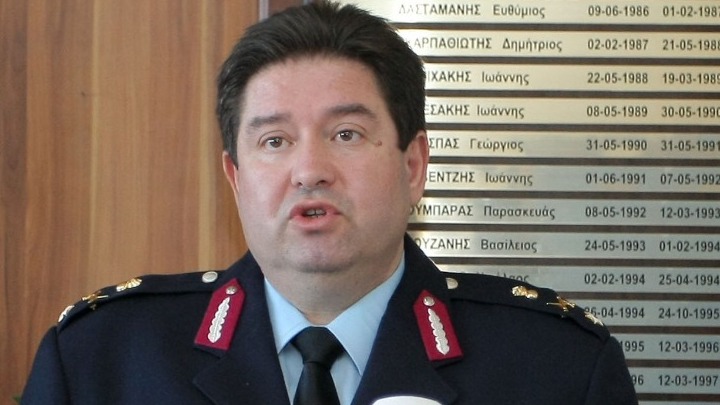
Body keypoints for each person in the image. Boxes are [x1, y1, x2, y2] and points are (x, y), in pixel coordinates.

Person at [22, 1, 638, 404]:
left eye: (346, 134)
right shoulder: (99, 362)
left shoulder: (557, 369)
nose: (310, 170)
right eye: (274, 141)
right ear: (235, 178)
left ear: (413, 165)